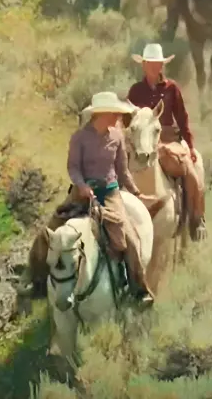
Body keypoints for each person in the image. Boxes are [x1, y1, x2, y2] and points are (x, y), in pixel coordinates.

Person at [66, 91, 154, 304]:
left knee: (130, 239)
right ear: (101, 114)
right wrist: (82, 186)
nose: (118, 117)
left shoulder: (117, 136)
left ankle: (139, 289)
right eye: (114, 113)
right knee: (54, 228)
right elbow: (73, 167)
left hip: (110, 192)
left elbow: (122, 171)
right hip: (83, 191)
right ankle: (35, 279)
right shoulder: (79, 138)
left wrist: (135, 192)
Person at [126, 43, 206, 241]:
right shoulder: (135, 91)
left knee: (190, 171)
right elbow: (128, 119)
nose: (155, 67)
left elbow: (182, 118)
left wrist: (190, 146)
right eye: (151, 63)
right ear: (144, 65)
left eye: (158, 63)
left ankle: (196, 218)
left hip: (169, 141)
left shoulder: (172, 88)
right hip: (142, 141)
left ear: (162, 65)